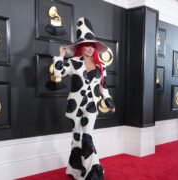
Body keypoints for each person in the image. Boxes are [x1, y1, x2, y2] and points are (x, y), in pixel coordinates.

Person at [53, 17, 115, 180]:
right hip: (75, 107)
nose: (89, 49)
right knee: (76, 137)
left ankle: (93, 171)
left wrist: (109, 101)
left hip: (91, 107)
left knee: (87, 136)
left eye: (91, 46)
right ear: (81, 47)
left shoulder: (101, 66)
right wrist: (61, 55)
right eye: (86, 45)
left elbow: (103, 87)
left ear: (94, 48)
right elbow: (57, 73)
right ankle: (74, 169)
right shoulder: (73, 62)